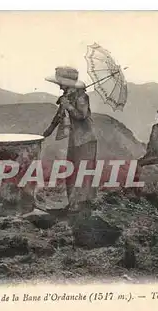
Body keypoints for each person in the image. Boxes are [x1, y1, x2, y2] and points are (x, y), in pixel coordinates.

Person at [43, 66, 98, 213]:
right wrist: (46, 133)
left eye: (61, 83)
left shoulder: (82, 97)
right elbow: (59, 116)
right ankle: (74, 203)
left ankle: (80, 204)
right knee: (72, 170)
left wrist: (69, 106)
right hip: (75, 139)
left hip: (85, 139)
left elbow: (82, 116)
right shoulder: (67, 97)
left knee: (82, 171)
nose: (60, 86)